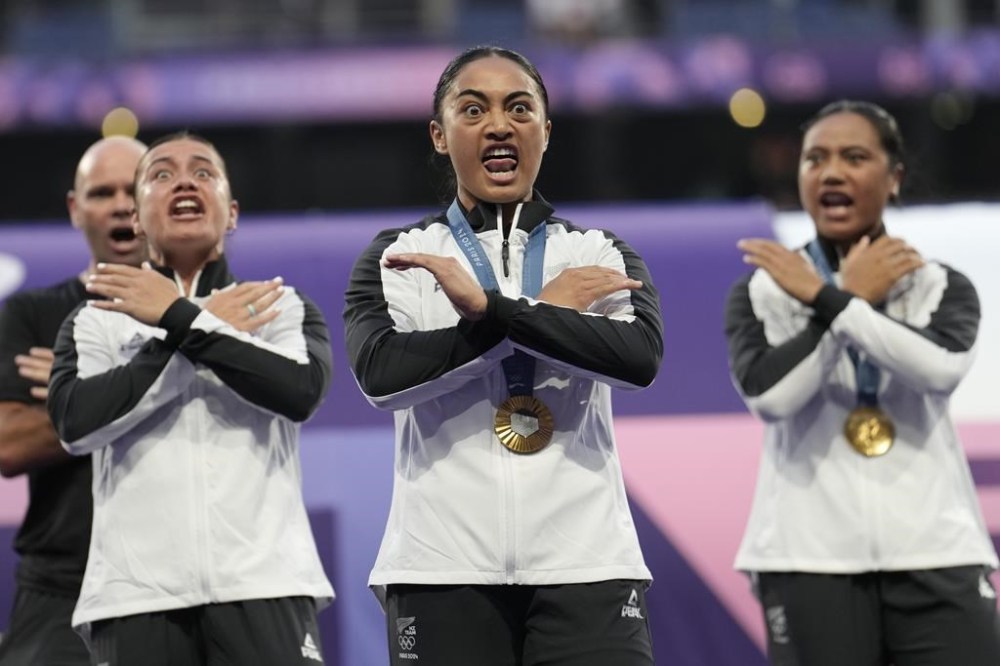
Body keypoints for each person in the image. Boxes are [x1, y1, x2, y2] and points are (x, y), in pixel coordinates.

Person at [344, 46, 663, 666]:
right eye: (473, 109)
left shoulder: (598, 251)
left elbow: (638, 359)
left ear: (546, 131)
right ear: (440, 135)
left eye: (520, 108)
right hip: (441, 567)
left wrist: (499, 312)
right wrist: (537, 314)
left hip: (587, 564)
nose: (499, 125)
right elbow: (383, 375)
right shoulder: (401, 256)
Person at [725, 99, 1000, 665]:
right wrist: (846, 301)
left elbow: (938, 369)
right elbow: (772, 398)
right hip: (807, 558)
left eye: (854, 157)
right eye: (815, 159)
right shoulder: (763, 290)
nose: (831, 173)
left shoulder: (940, 284)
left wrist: (830, 299)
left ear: (893, 177)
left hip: (936, 552)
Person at [46, 132, 334, 665]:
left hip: (264, 585)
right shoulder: (94, 321)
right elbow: (75, 423)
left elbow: (300, 392)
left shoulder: (278, 305)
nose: (183, 180)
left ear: (232, 214)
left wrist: (180, 319)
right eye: (161, 174)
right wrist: (195, 332)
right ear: (135, 218)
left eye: (204, 172)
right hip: (135, 597)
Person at [0, 135, 147, 665]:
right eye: (102, 192)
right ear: (74, 209)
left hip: (178, 577)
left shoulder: (200, 311)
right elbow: (10, 445)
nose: (122, 204)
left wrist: (81, 388)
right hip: (63, 584)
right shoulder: (32, 315)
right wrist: (162, 387)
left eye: (134, 188)